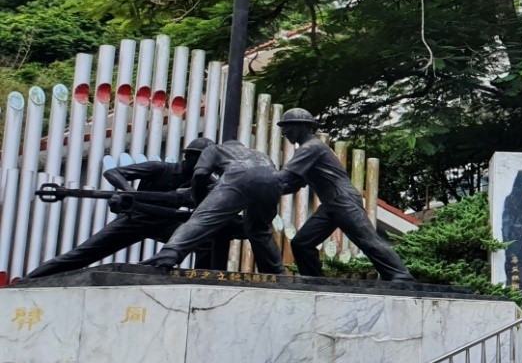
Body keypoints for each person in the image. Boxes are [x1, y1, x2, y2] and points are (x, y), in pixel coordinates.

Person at [25, 138, 213, 278]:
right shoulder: (160, 168)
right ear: (188, 156)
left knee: (206, 241)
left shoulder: (203, 180)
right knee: (81, 255)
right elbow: (113, 173)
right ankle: (28, 281)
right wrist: (130, 192)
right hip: (135, 219)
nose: (204, 165)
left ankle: (201, 280)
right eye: (200, 159)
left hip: (166, 222)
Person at [276, 109, 412, 282]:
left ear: (303, 126)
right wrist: (265, 192)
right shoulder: (307, 150)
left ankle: (401, 276)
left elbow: (284, 177)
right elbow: (293, 184)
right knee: (301, 243)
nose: (285, 132)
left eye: (288, 127)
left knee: (367, 240)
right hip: (330, 204)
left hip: (343, 200)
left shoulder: (312, 147)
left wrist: (258, 183)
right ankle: (314, 281)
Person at [144, 141, 286, 274]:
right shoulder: (260, 155)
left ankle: (169, 254)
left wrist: (199, 202)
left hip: (240, 176)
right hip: (273, 183)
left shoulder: (214, 149)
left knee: (202, 218)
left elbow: (200, 174)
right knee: (258, 230)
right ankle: (276, 273)